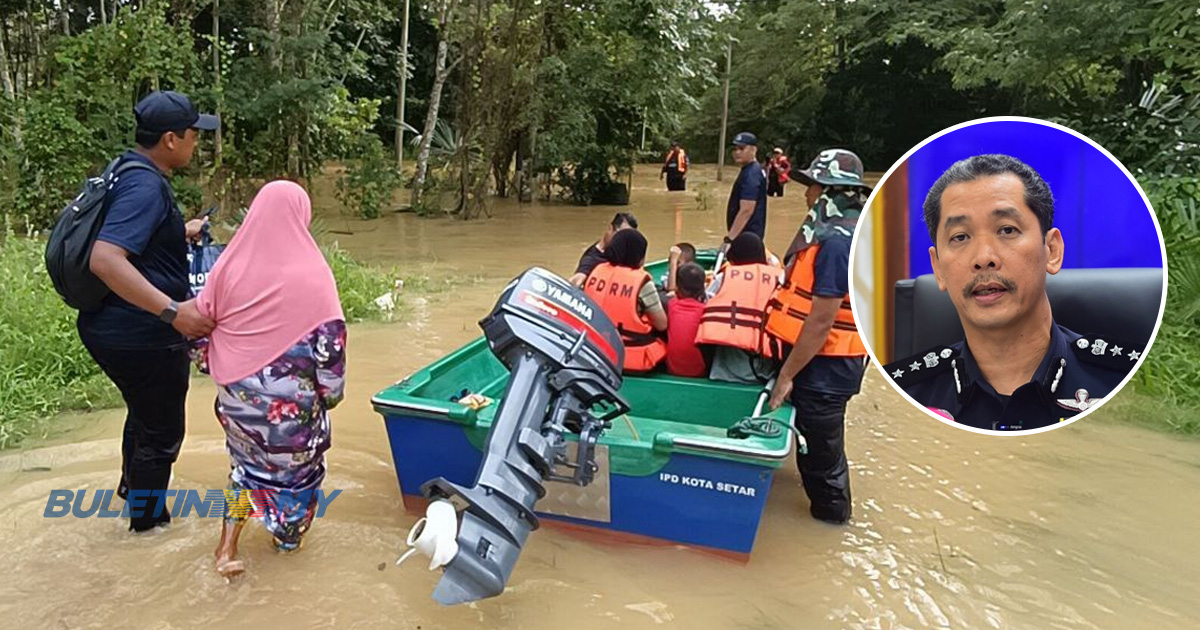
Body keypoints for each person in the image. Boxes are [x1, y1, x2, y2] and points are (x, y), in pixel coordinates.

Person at [883, 154, 1139, 432]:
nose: (983, 257)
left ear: (1052, 250)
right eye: (960, 237)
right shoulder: (898, 394)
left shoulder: (1130, 382)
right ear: (938, 268)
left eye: (1007, 230)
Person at [78, 90, 218, 532]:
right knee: (161, 433)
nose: (198, 141)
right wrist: (174, 312)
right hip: (140, 334)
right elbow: (105, 258)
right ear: (172, 140)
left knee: (143, 413)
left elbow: (131, 242)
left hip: (110, 325)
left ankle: (131, 490)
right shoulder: (145, 185)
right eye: (194, 133)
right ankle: (147, 529)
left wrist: (180, 231)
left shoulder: (126, 168)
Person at [192, 180, 347, 577]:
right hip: (290, 413)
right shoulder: (314, 273)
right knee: (298, 479)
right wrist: (329, 396)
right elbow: (330, 348)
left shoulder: (228, 264)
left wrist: (217, 367)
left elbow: (200, 325)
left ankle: (226, 548)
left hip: (236, 402)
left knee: (245, 470)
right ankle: (286, 547)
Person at [766, 148, 872, 525]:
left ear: (828, 190)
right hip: (830, 362)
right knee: (820, 448)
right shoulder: (854, 230)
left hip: (826, 366)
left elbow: (821, 321)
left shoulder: (836, 242)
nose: (806, 194)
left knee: (821, 462)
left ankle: (831, 526)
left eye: (811, 185)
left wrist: (786, 376)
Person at [700, 233, 782, 383]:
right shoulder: (780, 278)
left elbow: (703, 304)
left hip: (727, 370)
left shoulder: (723, 277)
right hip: (767, 369)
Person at [582, 229, 668, 372]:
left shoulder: (596, 271)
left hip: (594, 352)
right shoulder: (642, 282)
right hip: (630, 357)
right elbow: (662, 325)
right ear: (638, 255)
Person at [569, 212, 638, 287]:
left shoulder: (626, 251)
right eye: (621, 234)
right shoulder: (592, 258)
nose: (624, 239)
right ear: (610, 228)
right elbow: (578, 278)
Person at [724, 132, 768, 246]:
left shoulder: (751, 175)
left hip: (747, 238)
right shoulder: (750, 170)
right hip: (748, 236)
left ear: (754, 150)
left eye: (742, 148)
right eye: (735, 149)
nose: (737, 152)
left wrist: (730, 239)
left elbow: (747, 210)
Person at [665, 262, 708, 377]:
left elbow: (670, 292)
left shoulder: (671, 305)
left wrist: (673, 262)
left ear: (678, 287)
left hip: (672, 369)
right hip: (700, 372)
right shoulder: (706, 311)